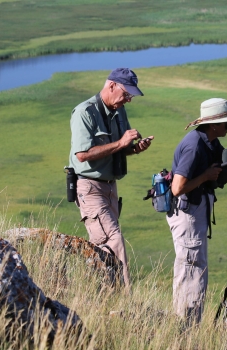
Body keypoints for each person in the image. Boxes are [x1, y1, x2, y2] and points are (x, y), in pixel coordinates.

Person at [167, 97, 227, 325]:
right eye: (226, 122)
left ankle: (189, 325)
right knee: (191, 268)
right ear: (214, 124)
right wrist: (205, 176)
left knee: (196, 268)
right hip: (187, 214)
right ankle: (186, 328)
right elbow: (177, 188)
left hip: (196, 212)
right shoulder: (194, 145)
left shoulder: (209, 142)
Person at [69, 68, 153, 289]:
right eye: (126, 94)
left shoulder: (119, 111)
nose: (128, 100)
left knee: (102, 246)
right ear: (111, 85)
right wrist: (121, 143)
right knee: (113, 241)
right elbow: (82, 154)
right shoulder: (84, 112)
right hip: (89, 187)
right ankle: (126, 300)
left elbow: (120, 149)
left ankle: (101, 293)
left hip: (110, 187)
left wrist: (135, 149)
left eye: (131, 96)